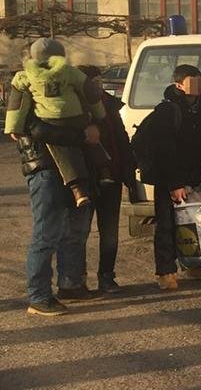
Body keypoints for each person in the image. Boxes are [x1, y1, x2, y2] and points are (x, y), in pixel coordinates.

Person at [10, 72, 94, 315]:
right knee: (46, 233)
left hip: (73, 170)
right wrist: (81, 133)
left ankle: (71, 283)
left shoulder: (62, 96)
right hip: (44, 170)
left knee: (74, 230)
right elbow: (39, 131)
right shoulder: (25, 100)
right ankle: (38, 296)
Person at [5, 38, 109, 207]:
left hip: (49, 119)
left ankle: (78, 190)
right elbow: (89, 92)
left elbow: (17, 105)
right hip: (76, 118)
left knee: (63, 150)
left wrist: (13, 128)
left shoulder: (25, 76)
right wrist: (99, 115)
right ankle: (105, 168)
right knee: (87, 138)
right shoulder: (69, 71)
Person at [148, 65, 201, 290]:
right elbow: (164, 149)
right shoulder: (168, 110)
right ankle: (166, 271)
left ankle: (195, 265)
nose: (197, 85)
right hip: (170, 176)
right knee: (168, 224)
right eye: (192, 81)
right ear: (179, 84)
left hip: (195, 173)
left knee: (198, 222)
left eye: (200, 80)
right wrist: (175, 183)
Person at [79, 65, 135, 293]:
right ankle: (76, 280)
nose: (98, 86)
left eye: (99, 81)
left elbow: (121, 141)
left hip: (112, 178)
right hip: (84, 181)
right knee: (79, 233)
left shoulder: (111, 105)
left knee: (110, 232)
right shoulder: (74, 109)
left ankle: (106, 276)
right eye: (92, 82)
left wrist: (129, 171)